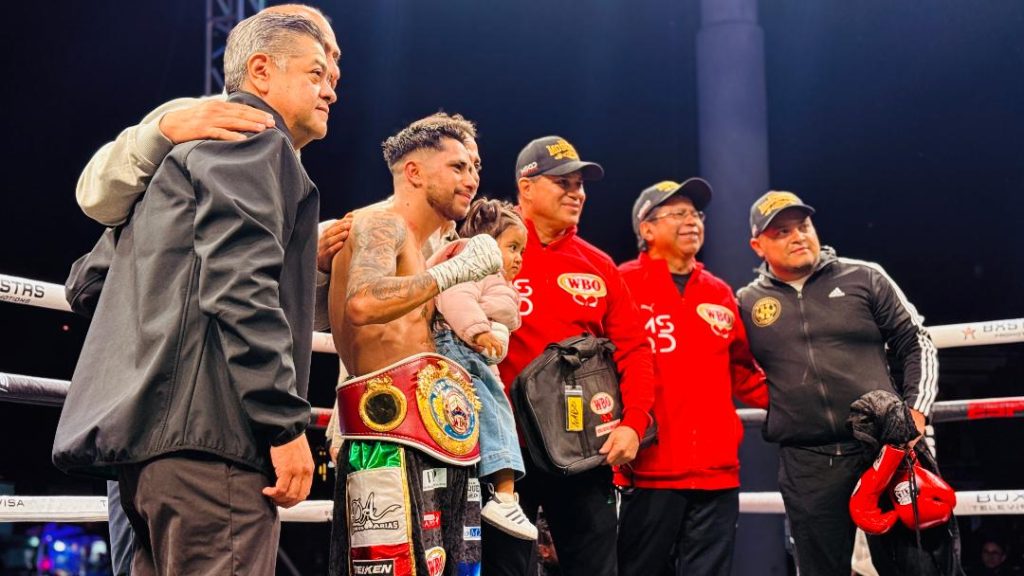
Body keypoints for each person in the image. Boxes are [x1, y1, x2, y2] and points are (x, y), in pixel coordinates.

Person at [53, 10, 337, 575]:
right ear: (261, 70)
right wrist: (284, 424)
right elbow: (241, 284)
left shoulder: (179, 162)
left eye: (334, 75)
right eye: (316, 72)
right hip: (213, 444)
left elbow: (88, 282)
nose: (330, 87)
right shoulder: (249, 139)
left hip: (149, 453)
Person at [325, 115, 502, 576]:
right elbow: (363, 302)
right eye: (458, 167)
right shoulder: (380, 224)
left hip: (440, 438)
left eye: (475, 167)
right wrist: (451, 273)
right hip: (387, 439)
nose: (472, 179)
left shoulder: (428, 248)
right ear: (415, 172)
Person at [736, 190, 940, 576]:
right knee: (820, 569)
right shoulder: (747, 302)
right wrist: (780, 403)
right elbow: (733, 366)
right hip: (808, 459)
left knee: (915, 566)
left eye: (803, 226)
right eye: (782, 232)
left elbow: (916, 341)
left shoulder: (864, 276)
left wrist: (916, 412)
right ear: (757, 245)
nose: (798, 237)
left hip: (885, 448)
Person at [486, 136, 657, 576]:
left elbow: (635, 350)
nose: (576, 193)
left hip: (583, 450)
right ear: (526, 187)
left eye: (579, 185)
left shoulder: (599, 265)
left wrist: (634, 423)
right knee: (503, 569)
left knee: (595, 569)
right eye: (562, 182)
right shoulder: (485, 250)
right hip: (504, 451)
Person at [616, 178, 769, 576]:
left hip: (717, 472)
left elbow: (744, 373)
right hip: (647, 471)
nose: (692, 221)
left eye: (696, 213)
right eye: (678, 213)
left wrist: (805, 405)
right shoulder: (622, 283)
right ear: (647, 229)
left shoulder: (719, 292)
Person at [431, 198, 537, 540]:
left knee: (488, 411)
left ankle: (496, 492)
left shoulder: (495, 280)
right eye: (512, 247)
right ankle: (504, 496)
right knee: (492, 407)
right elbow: (455, 295)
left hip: (467, 349)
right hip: (458, 347)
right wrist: (478, 329)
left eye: (522, 250)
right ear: (487, 243)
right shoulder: (469, 259)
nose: (519, 258)